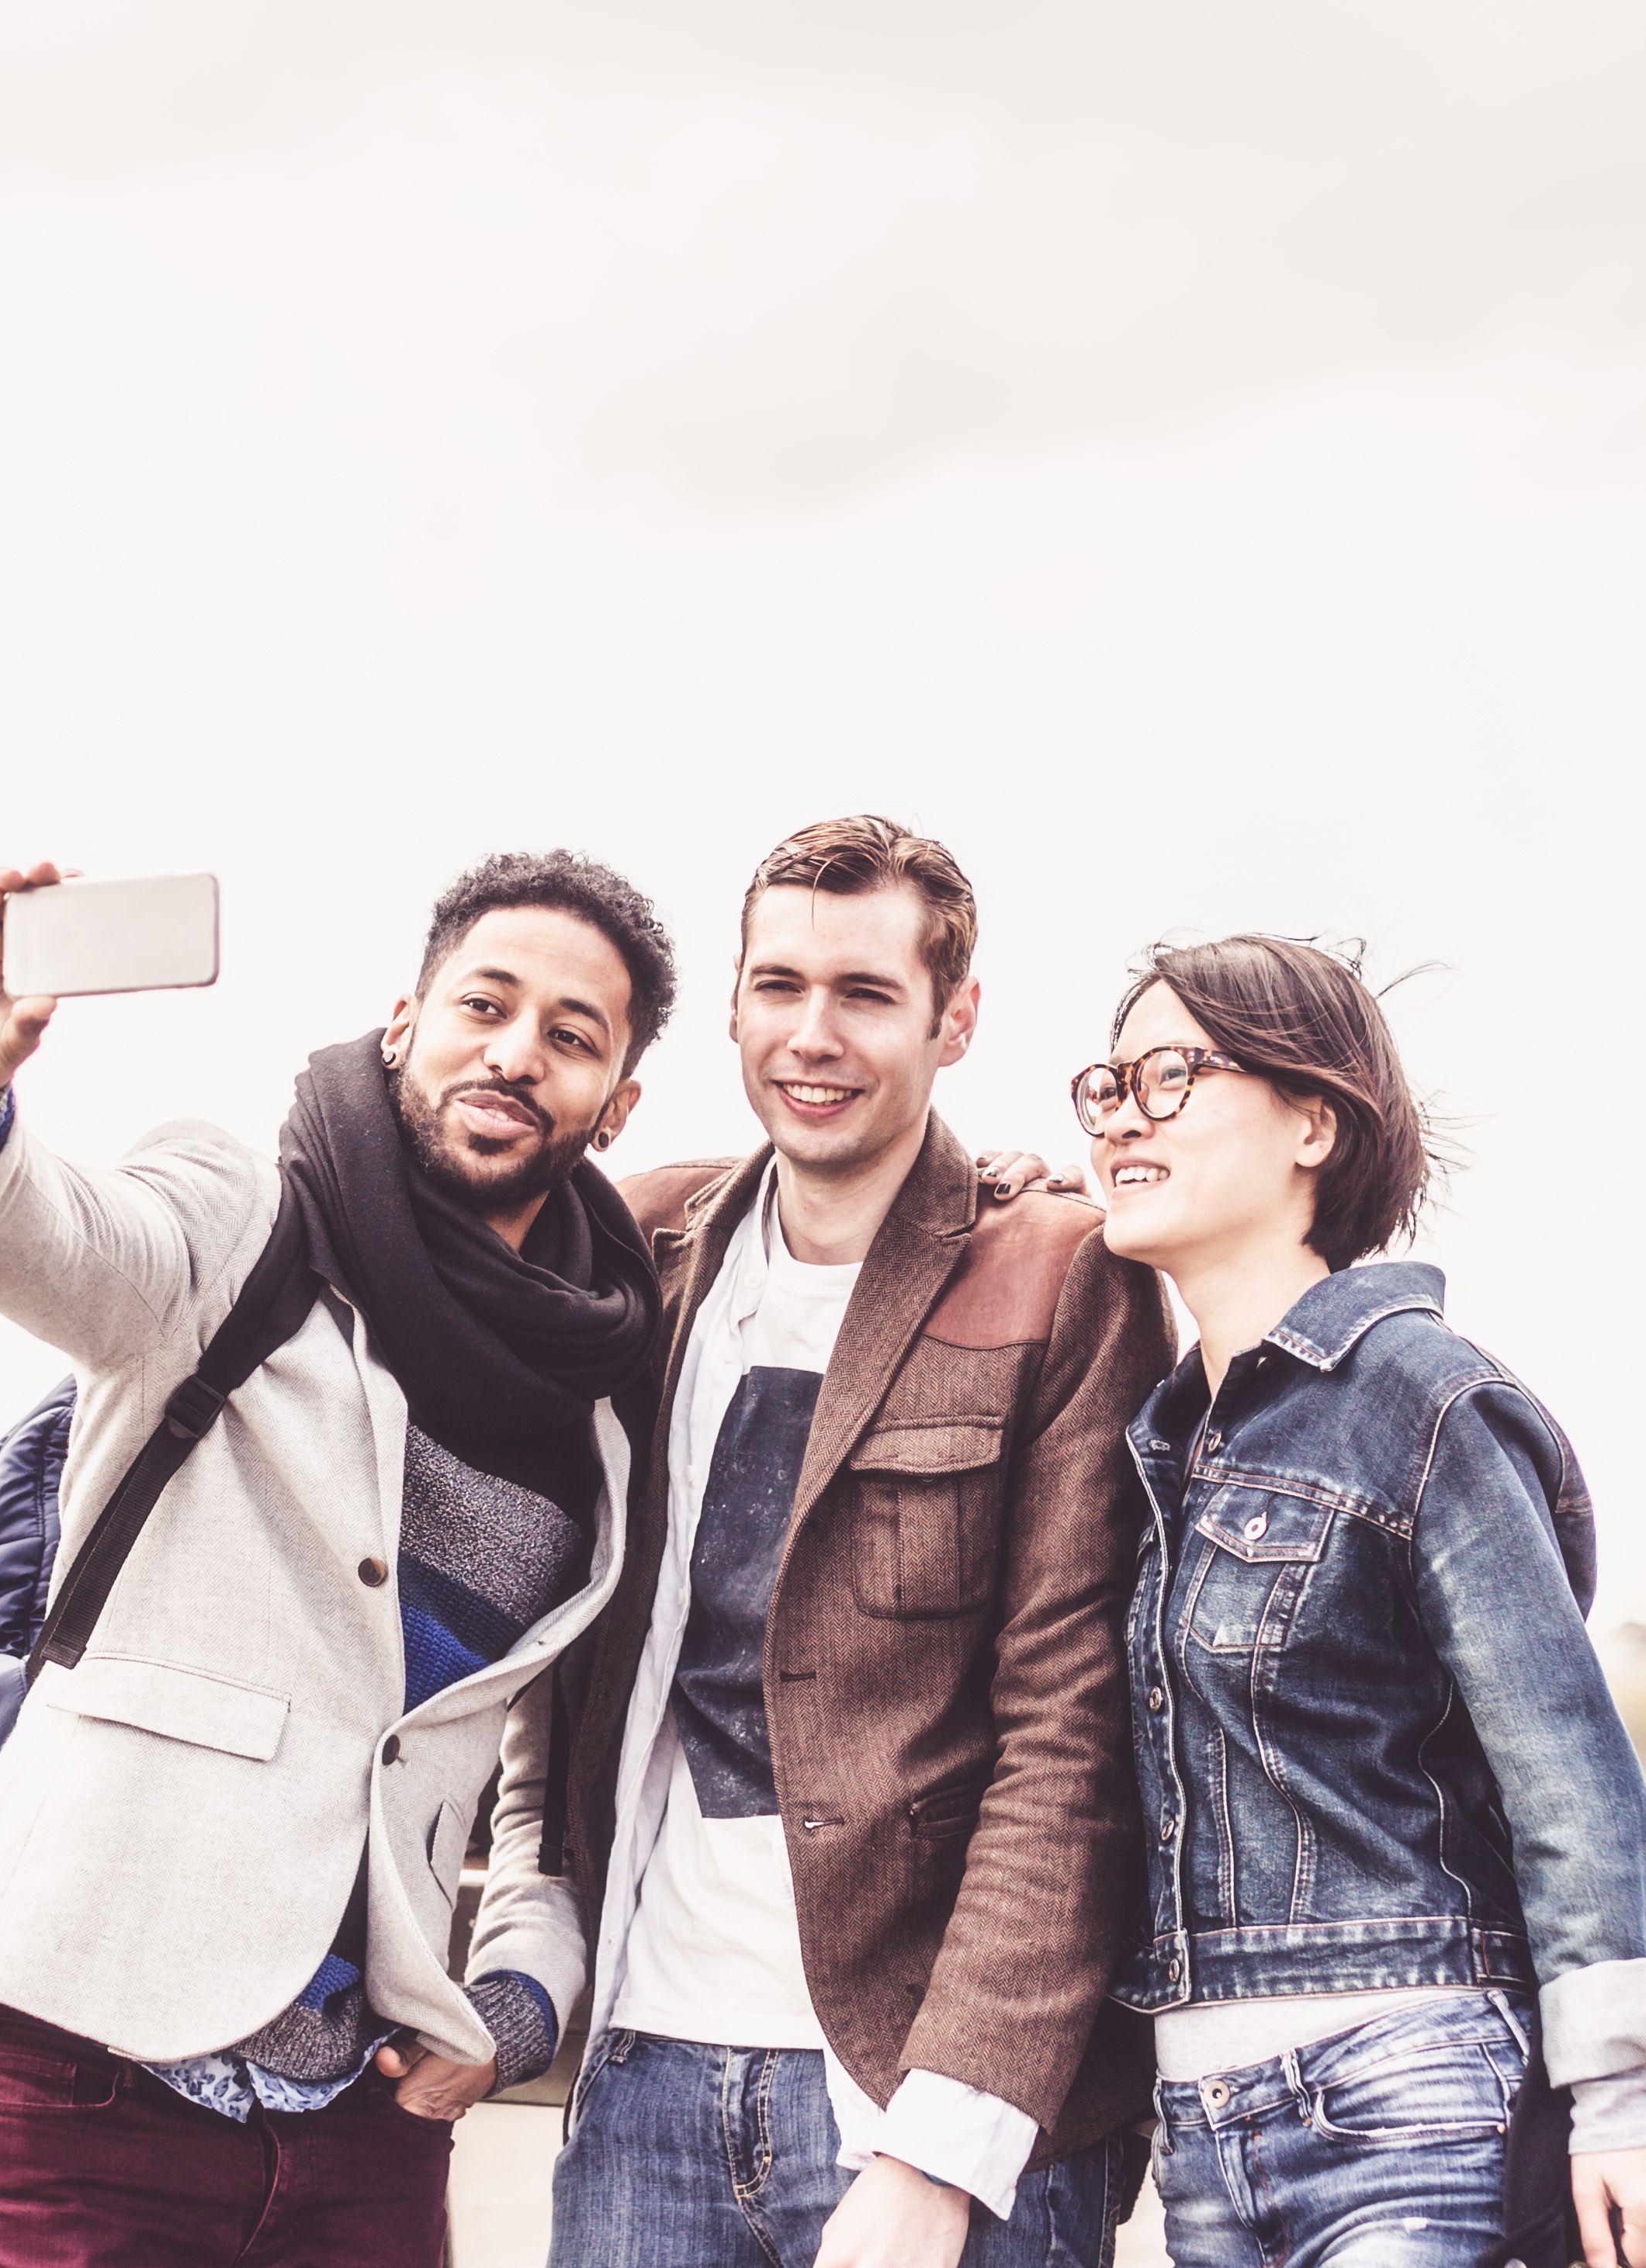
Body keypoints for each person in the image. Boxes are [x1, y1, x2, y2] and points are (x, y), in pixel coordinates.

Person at [0, 850, 673, 2268]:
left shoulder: (602, 1403)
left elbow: (548, 1799)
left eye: (570, 1036)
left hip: (365, 2117)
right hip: (90, 2064)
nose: (512, 1053)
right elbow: (41, 1241)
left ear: (615, 1105)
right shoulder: (238, 1222)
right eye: (482, 1005)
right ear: (401, 1025)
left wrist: (518, 2009)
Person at [476, 816, 1170, 2268]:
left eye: (863, 994)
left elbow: (1075, 1734)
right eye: (778, 987)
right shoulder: (638, 1242)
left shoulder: (1058, 1271)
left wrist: (946, 2137)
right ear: (729, 1006)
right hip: (643, 2069)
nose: (812, 1035)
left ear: (953, 1019)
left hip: (919, 2100)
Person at [1073, 936, 1646, 2268]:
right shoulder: (1165, 1438)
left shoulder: (1417, 1400)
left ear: (1314, 1121)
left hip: (1406, 2096)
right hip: (1202, 2129)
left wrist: (1624, 2102)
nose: (1126, 1110)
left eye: (1174, 1072)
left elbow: (1563, 1761)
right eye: (1107, 1083)